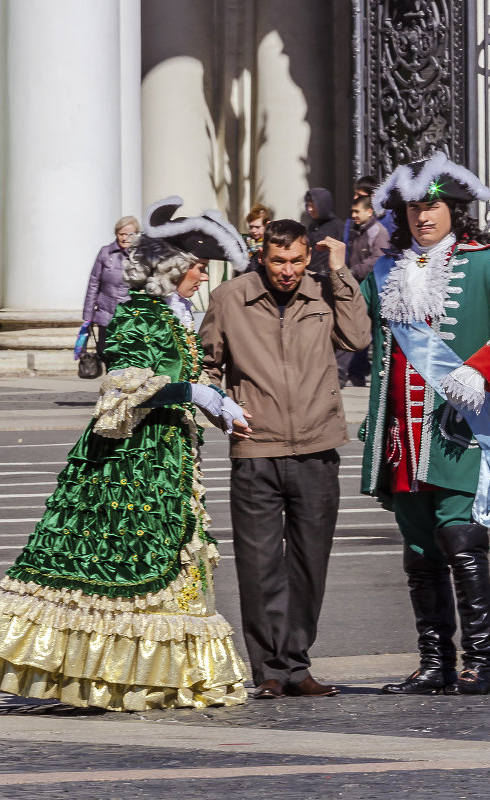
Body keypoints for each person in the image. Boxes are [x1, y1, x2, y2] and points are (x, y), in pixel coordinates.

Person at [0, 197, 253, 711]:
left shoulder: (173, 317)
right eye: (195, 267)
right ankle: (108, 678)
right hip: (130, 462)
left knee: (169, 561)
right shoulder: (140, 317)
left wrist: (214, 398)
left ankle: (162, 678)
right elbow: (124, 384)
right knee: (122, 562)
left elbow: (179, 377)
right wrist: (195, 394)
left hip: (167, 456)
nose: (202, 276)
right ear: (171, 269)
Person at [361, 153, 490, 696]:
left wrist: (481, 371)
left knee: (460, 540)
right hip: (402, 435)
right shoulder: (386, 271)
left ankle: (480, 663)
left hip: (457, 431)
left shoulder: (482, 264)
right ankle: (434, 662)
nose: (424, 217)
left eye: (434, 206)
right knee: (418, 551)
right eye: (415, 208)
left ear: (454, 210)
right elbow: (355, 331)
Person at [199, 218, 370, 700]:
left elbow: (357, 338)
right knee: (259, 566)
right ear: (262, 256)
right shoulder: (229, 299)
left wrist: (340, 272)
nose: (289, 270)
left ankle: (298, 664)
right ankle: (269, 670)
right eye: (279, 261)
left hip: (317, 446)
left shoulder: (322, 291)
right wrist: (222, 409)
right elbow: (206, 363)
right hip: (257, 448)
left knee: (309, 563)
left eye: (298, 260)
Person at [338, 194, 391, 387]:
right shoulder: (358, 230)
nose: (353, 215)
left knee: (368, 330)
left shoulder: (378, 232)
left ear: (369, 211)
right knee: (355, 328)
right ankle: (353, 372)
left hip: (374, 288)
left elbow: (378, 258)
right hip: (359, 286)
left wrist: (354, 271)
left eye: (356, 211)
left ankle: (359, 371)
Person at [83, 215, 138, 363]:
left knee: (126, 355)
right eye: (121, 234)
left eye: (129, 234)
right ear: (116, 234)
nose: (125, 238)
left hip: (130, 316)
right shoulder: (105, 253)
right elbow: (93, 283)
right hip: (106, 314)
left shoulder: (140, 255)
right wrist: (88, 316)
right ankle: (111, 381)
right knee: (104, 351)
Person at [342, 175, 396, 242]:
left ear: (373, 196)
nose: (355, 198)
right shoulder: (352, 219)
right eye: (355, 194)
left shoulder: (389, 219)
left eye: (360, 195)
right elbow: (347, 246)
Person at [303, 188, 343, 277]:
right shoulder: (312, 226)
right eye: (308, 205)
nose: (310, 209)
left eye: (313, 206)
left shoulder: (337, 226)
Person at [241, 204, 271, 276]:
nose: (253, 230)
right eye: (251, 227)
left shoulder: (271, 245)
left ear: (267, 225)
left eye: (257, 227)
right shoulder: (246, 243)